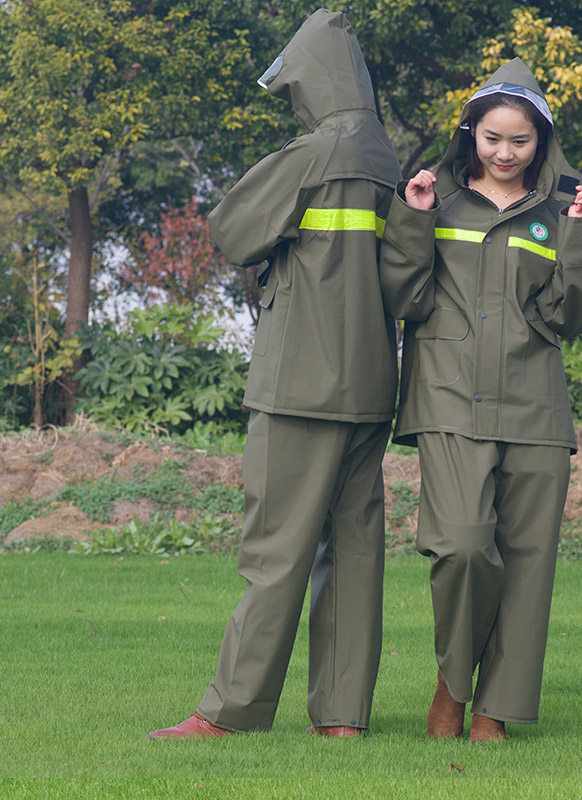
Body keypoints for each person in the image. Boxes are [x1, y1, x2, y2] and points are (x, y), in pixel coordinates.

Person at [148, 8, 402, 739]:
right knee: (352, 552)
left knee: (276, 550)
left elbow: (231, 229)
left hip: (298, 386)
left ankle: (230, 713)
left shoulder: (312, 153)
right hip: (368, 388)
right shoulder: (386, 159)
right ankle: (343, 717)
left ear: (311, 81)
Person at [379, 58, 582, 742]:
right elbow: (404, 298)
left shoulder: (565, 213)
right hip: (448, 398)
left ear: (541, 143)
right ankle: (453, 686)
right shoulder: (435, 204)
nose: (505, 154)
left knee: (529, 564)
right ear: (469, 134)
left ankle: (493, 710)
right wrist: (413, 220)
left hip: (535, 405)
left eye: (520, 141)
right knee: (464, 546)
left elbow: (570, 317)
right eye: (492, 139)